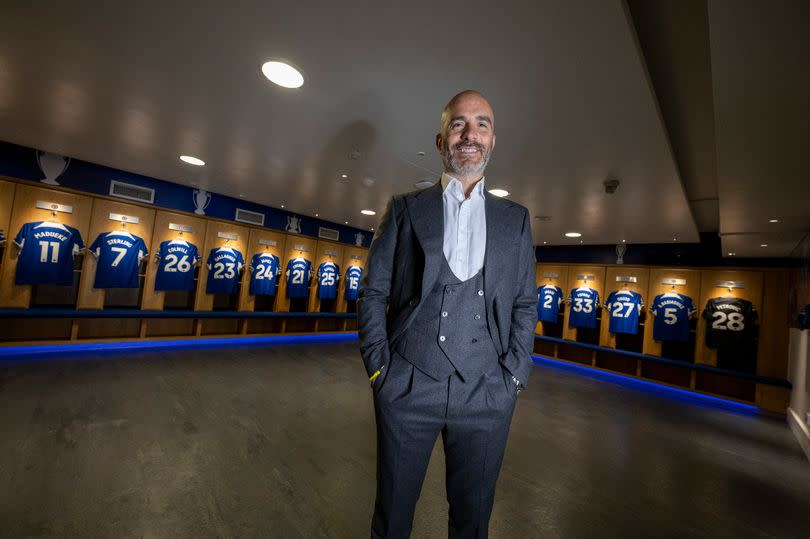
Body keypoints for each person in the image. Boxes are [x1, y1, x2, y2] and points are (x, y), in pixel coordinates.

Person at [357, 90, 537, 538]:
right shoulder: (403, 210)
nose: (470, 133)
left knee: (473, 521)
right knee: (393, 516)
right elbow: (373, 290)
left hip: (487, 393)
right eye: (458, 124)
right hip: (408, 386)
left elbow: (525, 302)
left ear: (493, 140)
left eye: (482, 123)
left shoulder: (514, 219)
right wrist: (381, 370)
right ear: (441, 140)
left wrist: (514, 374)